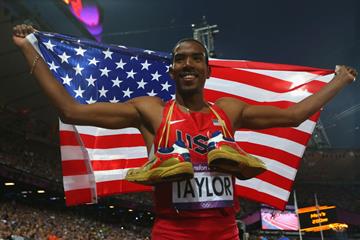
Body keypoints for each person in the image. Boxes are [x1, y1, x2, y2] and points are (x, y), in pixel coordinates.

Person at [12, 24, 357, 240]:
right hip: (171, 232)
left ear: (207, 69)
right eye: (180, 59)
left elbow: (295, 114)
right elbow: (71, 111)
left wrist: (339, 81)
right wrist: (30, 49)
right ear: (172, 70)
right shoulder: (150, 110)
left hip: (224, 232)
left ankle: (229, 155)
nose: (187, 64)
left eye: (195, 58)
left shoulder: (229, 110)